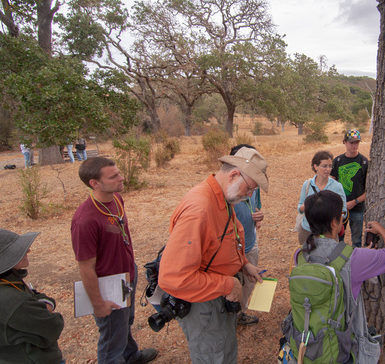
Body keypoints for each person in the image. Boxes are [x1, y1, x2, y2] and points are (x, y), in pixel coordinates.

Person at [158, 147, 268, 364]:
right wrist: (228, 285)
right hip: (203, 305)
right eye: (250, 188)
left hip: (218, 297)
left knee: (225, 352)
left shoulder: (223, 198)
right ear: (234, 175)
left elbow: (228, 238)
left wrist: (244, 264)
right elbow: (173, 278)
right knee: (214, 357)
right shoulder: (200, 209)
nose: (250, 195)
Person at [288, 190, 385, 363]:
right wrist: (382, 230)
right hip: (341, 346)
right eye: (342, 214)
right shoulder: (354, 258)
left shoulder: (301, 254)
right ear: (335, 222)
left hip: (308, 339)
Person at [70, 157, 157, 364]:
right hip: (109, 287)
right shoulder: (85, 221)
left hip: (127, 275)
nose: (122, 177)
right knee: (111, 340)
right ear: (94, 183)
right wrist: (98, 303)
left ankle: (131, 356)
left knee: (125, 322)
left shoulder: (116, 198)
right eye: (114, 176)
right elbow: (86, 269)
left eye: (118, 173)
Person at [0, 228, 65, 364]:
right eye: (18, 251)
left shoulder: (10, 280)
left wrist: (39, 303)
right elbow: (54, 325)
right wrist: (43, 306)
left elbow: (35, 294)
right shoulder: (14, 300)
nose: (28, 251)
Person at [229, 144, 264, 326]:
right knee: (232, 285)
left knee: (248, 284)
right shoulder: (225, 193)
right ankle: (229, 319)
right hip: (232, 248)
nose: (250, 192)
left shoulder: (253, 185)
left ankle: (240, 313)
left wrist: (259, 217)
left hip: (250, 242)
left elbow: (256, 205)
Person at [297, 151, 347, 244]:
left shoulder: (337, 186)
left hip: (328, 234)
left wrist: (333, 219)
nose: (328, 169)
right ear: (315, 166)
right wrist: (303, 207)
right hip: (307, 231)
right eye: (324, 166)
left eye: (330, 166)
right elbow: (299, 207)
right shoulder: (307, 184)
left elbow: (343, 210)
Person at [331, 129, 369, 247]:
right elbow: (330, 184)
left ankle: (355, 263)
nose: (354, 145)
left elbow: (369, 190)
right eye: (351, 142)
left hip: (357, 209)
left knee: (357, 240)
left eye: (357, 142)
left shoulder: (364, 162)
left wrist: (355, 201)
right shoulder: (338, 161)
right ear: (345, 142)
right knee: (338, 239)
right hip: (339, 209)